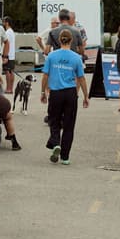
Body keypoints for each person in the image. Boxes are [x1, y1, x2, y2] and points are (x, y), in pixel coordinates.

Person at [40, 29, 89, 164]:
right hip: (70, 93)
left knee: (54, 120)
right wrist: (86, 96)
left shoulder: (51, 56)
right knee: (69, 124)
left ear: (59, 40)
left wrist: (43, 92)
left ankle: (56, 142)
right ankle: (65, 157)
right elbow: (81, 78)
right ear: (71, 41)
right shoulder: (76, 57)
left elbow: (45, 75)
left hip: (55, 93)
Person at [2, 16, 17, 94]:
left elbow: (6, 44)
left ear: (7, 23)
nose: (3, 23)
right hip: (12, 55)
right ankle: (11, 88)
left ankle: (8, 88)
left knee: (7, 71)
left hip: (8, 54)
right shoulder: (11, 31)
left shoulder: (7, 32)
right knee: (11, 71)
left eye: (3, 21)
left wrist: (4, 55)